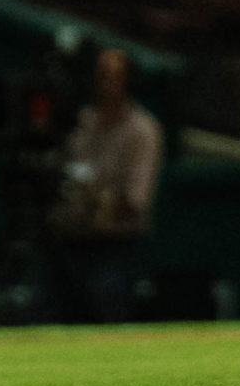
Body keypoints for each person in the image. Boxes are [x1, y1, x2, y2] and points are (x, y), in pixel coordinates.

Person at [49, 47, 162, 324]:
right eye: (101, 75)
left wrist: (95, 203)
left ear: (128, 81)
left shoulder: (142, 130)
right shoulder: (80, 123)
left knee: (107, 311)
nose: (105, 82)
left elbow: (136, 203)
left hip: (114, 247)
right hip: (67, 242)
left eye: (113, 76)